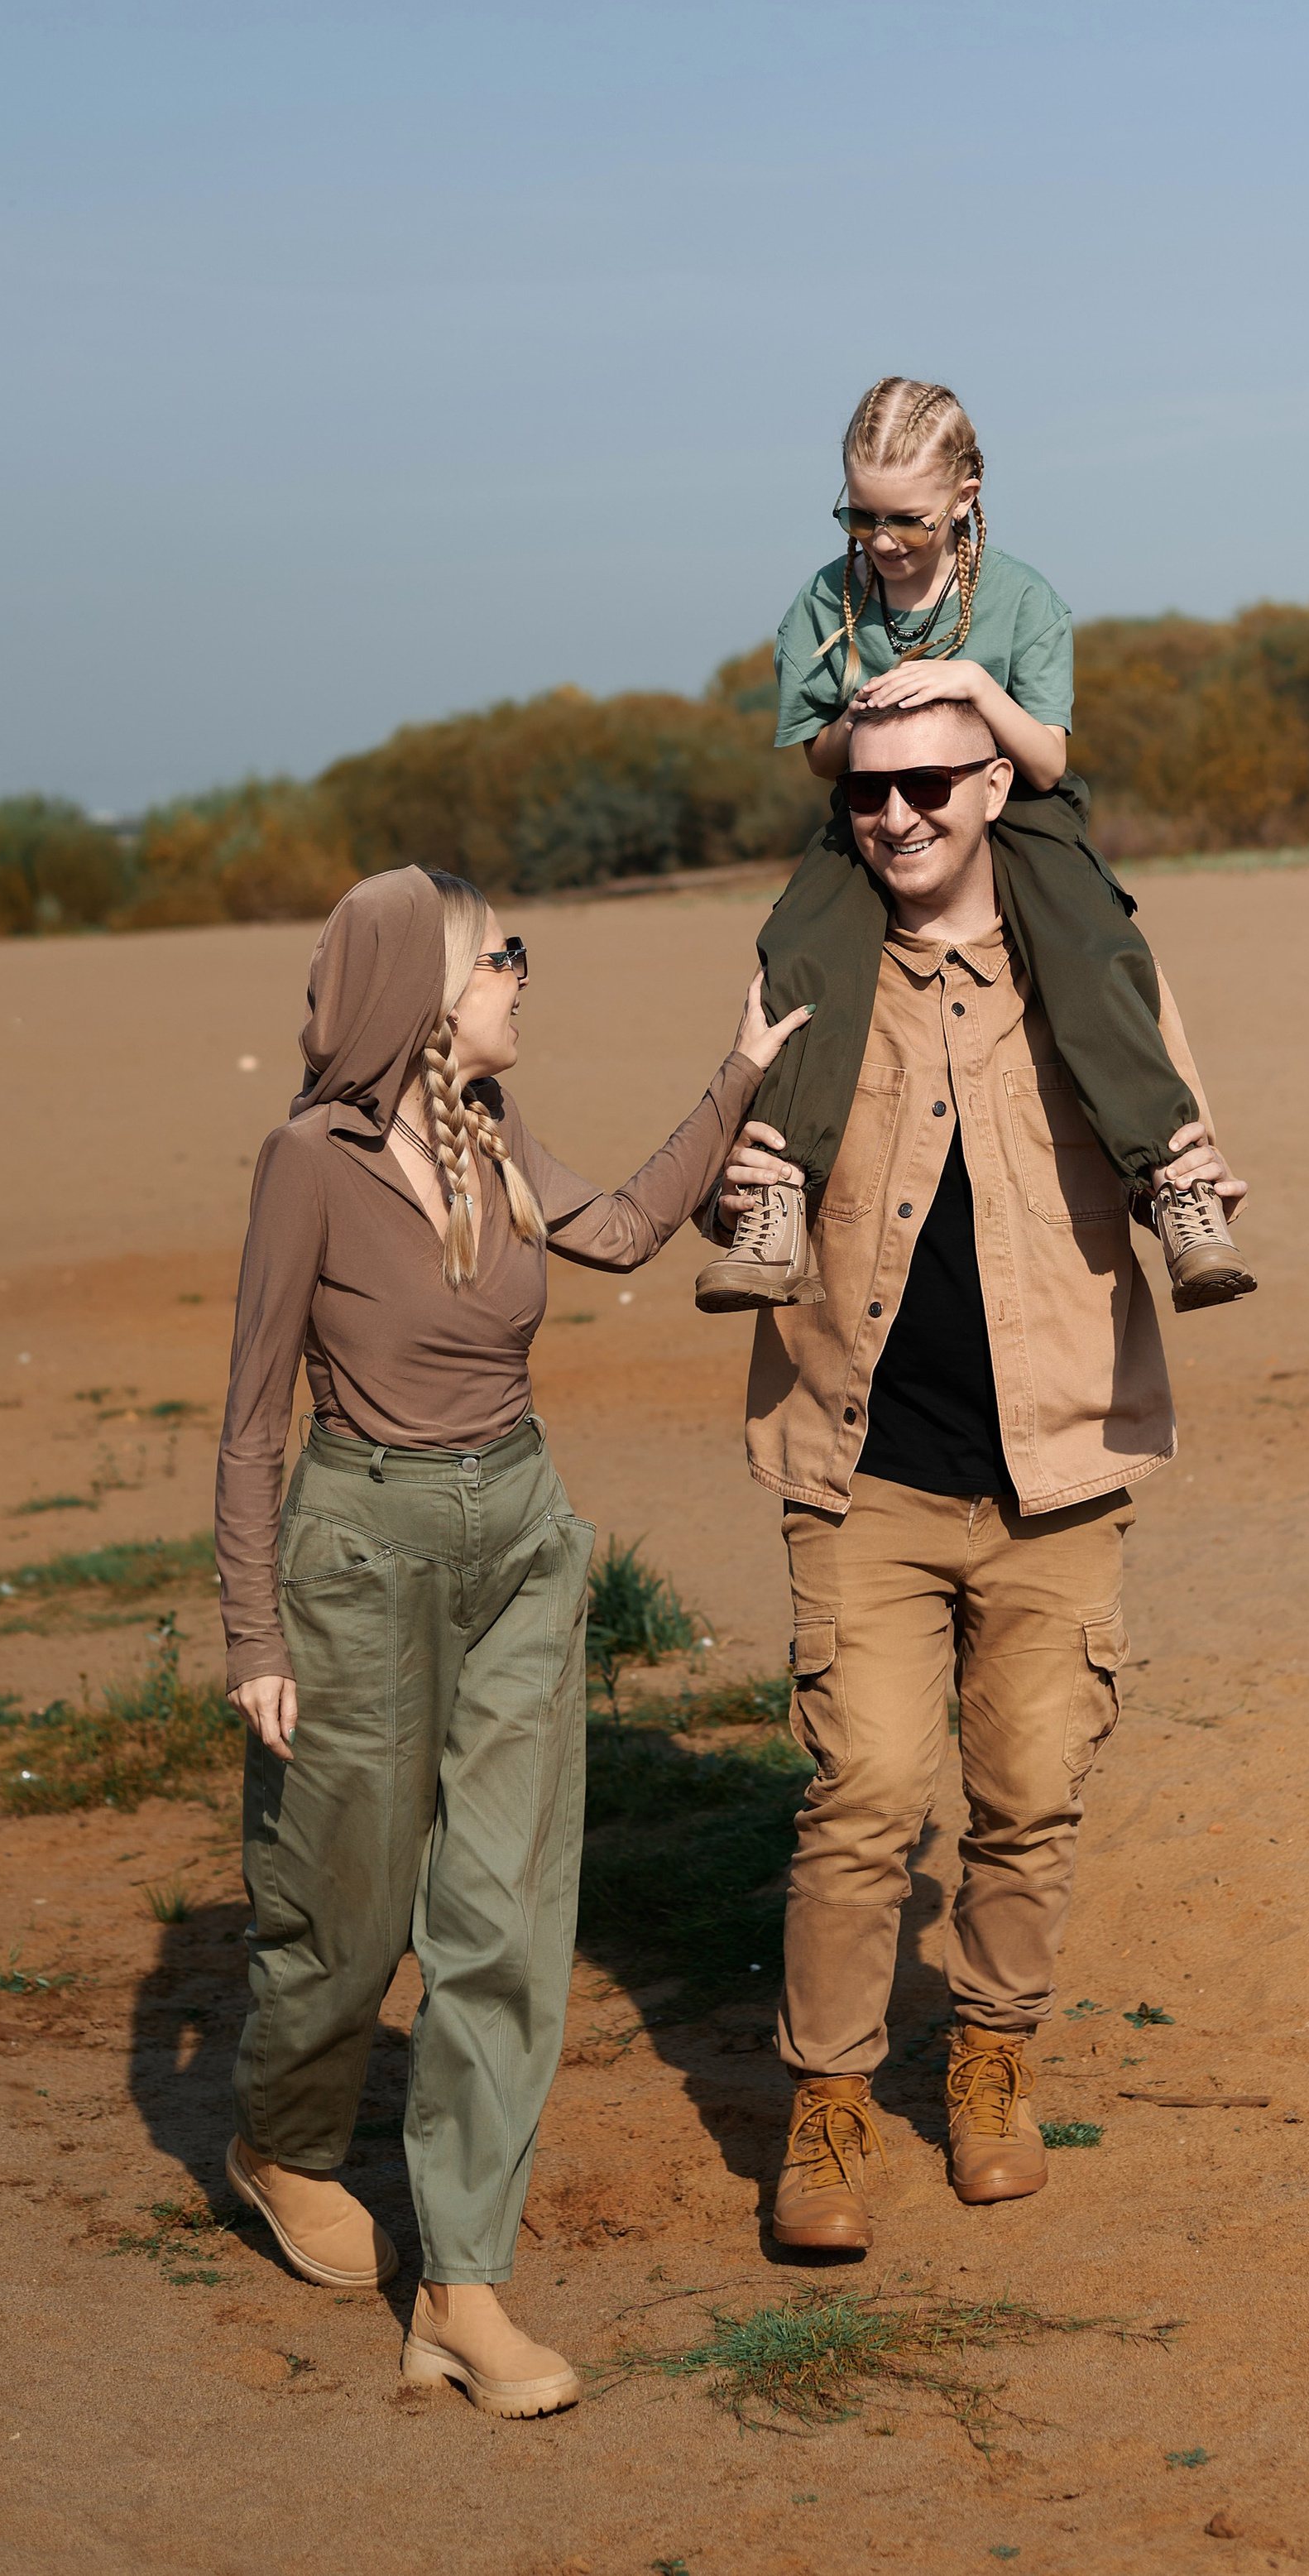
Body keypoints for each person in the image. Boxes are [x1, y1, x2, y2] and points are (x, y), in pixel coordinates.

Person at [215, 865, 805, 2409]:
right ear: (425, 990)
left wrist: (739, 1071)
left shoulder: (486, 1132)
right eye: (501, 955)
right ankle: (280, 2140)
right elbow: (251, 1422)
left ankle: (462, 2290)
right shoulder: (310, 1160)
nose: (523, 975)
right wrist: (250, 1634)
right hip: (360, 1554)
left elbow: (614, 1228)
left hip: (522, 1542)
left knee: (505, 1912)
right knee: (339, 1916)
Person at [704, 696, 1245, 2252]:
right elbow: (721, 1177)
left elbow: (1187, 1151)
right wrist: (726, 1179)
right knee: (866, 1789)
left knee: (1028, 1792)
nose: (898, 817)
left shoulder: (1095, 969)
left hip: (1055, 1465)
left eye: (931, 784)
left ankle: (994, 2060)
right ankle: (827, 2102)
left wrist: (1200, 1185)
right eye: (870, 793)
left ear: (994, 781)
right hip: (859, 1459)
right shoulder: (807, 966)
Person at [696, 374, 1251, 1318]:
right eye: (858, 516)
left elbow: (1044, 756)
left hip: (1014, 795)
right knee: (796, 946)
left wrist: (967, 689)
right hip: (871, 796)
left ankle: (1174, 1181)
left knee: (1090, 944)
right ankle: (778, 1200)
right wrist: (868, 718)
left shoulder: (1024, 600)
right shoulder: (824, 602)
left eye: (906, 520)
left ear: (965, 498)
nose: (881, 542)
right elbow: (818, 758)